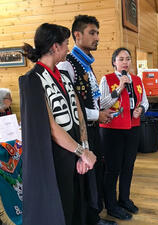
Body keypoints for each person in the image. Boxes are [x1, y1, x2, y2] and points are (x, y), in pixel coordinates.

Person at [19, 23, 96, 225]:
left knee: (76, 206)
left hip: (75, 156)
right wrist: (82, 152)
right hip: (54, 160)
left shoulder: (63, 76)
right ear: (55, 47)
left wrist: (84, 149)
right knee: (62, 210)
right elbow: (51, 127)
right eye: (65, 44)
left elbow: (77, 110)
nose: (68, 49)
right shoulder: (32, 80)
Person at [57, 15, 116, 225]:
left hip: (92, 127)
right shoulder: (67, 65)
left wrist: (103, 110)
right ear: (77, 35)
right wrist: (97, 115)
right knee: (85, 177)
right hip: (80, 131)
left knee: (96, 170)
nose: (97, 37)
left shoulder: (87, 63)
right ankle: (90, 219)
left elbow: (91, 99)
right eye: (92, 33)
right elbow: (72, 106)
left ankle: (95, 215)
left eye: (98, 33)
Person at [99, 47, 149, 220]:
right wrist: (120, 87)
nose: (125, 62)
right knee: (113, 169)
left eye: (128, 59)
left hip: (133, 128)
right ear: (114, 62)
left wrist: (141, 109)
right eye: (121, 59)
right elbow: (103, 103)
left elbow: (144, 101)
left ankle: (124, 199)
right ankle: (111, 205)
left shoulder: (136, 79)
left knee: (128, 166)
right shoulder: (107, 79)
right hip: (112, 130)